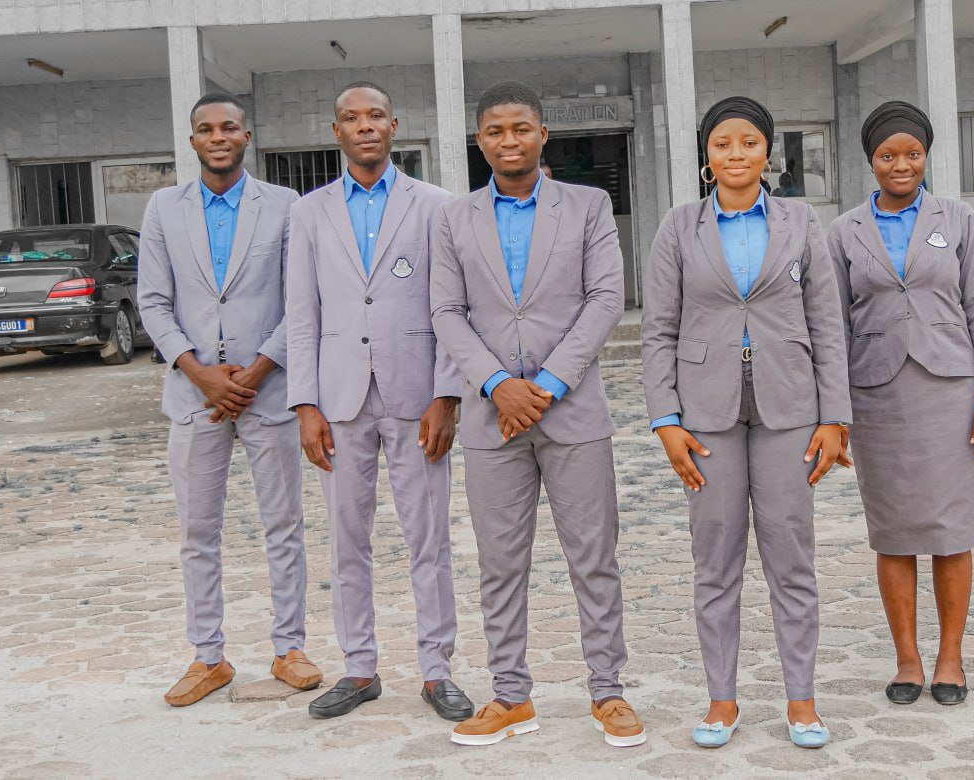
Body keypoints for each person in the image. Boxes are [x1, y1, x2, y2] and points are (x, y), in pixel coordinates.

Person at [430, 80, 644, 748]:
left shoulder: (588, 206)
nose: (509, 140)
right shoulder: (455, 218)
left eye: (521, 128)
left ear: (543, 133)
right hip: (493, 419)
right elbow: (446, 311)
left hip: (572, 413)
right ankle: (510, 695)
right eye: (495, 131)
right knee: (500, 563)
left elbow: (606, 299)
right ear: (480, 140)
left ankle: (607, 691)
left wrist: (544, 386)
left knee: (593, 556)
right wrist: (499, 385)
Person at [641, 96, 852, 749]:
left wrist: (835, 416)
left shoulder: (801, 221)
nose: (737, 154)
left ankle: (803, 702)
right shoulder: (679, 226)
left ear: (768, 152)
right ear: (706, 156)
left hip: (790, 409)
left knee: (791, 557)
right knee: (715, 560)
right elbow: (658, 330)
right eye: (723, 143)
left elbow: (827, 324)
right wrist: (665, 419)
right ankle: (721, 702)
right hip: (706, 415)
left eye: (750, 143)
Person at [285, 81, 473, 721]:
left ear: (394, 126)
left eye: (375, 116)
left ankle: (437, 671)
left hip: (416, 396)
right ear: (336, 131)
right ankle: (359, 668)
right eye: (350, 118)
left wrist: (447, 394)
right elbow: (302, 314)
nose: (364, 126)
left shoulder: (437, 207)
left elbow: (452, 308)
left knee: (429, 538)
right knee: (347, 540)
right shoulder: (309, 213)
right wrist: (305, 404)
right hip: (338, 399)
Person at [825, 100, 974, 706]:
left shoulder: (958, 220)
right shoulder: (844, 231)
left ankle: (950, 658)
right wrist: (835, 409)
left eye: (912, 153)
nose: (901, 164)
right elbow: (832, 325)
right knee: (894, 532)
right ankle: (907, 660)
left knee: (952, 530)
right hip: (877, 397)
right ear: (871, 160)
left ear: (927, 155)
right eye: (888, 155)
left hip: (951, 393)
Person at [138, 92, 321, 706]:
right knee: (198, 530)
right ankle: (208, 656)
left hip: (269, 391)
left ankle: (289, 647)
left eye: (229, 127)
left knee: (283, 524)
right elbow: (153, 302)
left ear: (247, 135)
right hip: (195, 396)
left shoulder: (286, 205)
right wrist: (200, 374)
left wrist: (257, 371)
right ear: (192, 139)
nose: (218, 137)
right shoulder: (164, 208)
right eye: (205, 129)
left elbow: (300, 299)